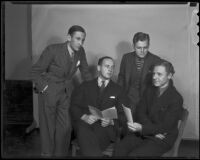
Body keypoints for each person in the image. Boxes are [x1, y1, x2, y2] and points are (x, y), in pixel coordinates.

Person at [31, 25, 92, 157]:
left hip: (67, 93)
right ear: (69, 37)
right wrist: (45, 88)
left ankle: (60, 155)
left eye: (83, 40)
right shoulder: (53, 50)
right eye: (78, 39)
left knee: (66, 127)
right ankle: (47, 154)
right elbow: (35, 71)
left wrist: (94, 89)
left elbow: (86, 72)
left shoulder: (80, 51)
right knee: (48, 129)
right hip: (49, 92)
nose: (80, 43)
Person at [113, 60, 184, 157]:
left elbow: (166, 126)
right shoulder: (149, 90)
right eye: (154, 73)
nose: (154, 77)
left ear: (169, 76)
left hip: (163, 138)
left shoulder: (176, 98)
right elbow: (140, 112)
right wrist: (148, 130)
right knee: (120, 148)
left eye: (159, 74)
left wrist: (143, 128)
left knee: (135, 155)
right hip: (146, 132)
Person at [70, 56, 129, 156]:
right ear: (98, 68)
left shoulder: (119, 90)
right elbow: (73, 106)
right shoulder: (85, 86)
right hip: (86, 125)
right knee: (82, 128)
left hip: (105, 129)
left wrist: (111, 121)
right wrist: (85, 117)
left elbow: (123, 115)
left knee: (87, 136)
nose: (110, 69)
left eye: (112, 67)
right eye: (107, 66)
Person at [117, 32, 162, 111]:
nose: (142, 51)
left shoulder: (156, 60)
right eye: (139, 48)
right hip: (127, 100)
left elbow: (158, 86)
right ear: (133, 46)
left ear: (149, 46)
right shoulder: (126, 58)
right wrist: (119, 97)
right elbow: (121, 78)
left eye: (145, 47)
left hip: (147, 102)